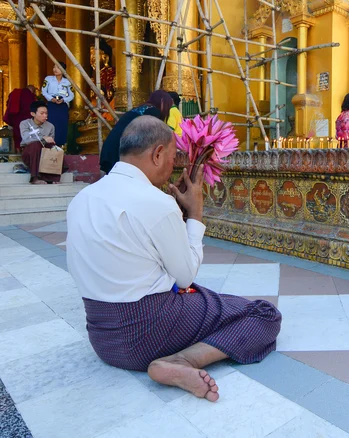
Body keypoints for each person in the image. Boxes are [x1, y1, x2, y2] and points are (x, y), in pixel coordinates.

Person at [67, 116, 281, 401]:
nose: (173, 166)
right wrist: (195, 215)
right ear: (157, 154)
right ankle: (183, 360)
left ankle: (177, 356)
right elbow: (185, 277)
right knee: (264, 315)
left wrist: (175, 218)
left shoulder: (83, 198)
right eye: (172, 156)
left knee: (206, 298)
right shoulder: (156, 202)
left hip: (103, 339)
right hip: (149, 334)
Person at [100, 90, 173, 174]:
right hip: (121, 150)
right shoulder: (153, 111)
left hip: (111, 147)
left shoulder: (140, 108)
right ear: (162, 102)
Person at [20, 101, 63, 184]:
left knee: (53, 148)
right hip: (29, 153)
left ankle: (52, 177)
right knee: (35, 145)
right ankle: (35, 177)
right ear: (33, 113)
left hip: (44, 152)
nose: (45, 116)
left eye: (46, 113)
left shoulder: (50, 126)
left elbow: (51, 141)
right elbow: (26, 139)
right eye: (42, 113)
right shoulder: (24, 123)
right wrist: (42, 139)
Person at [42, 62, 74, 147]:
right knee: (51, 123)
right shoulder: (48, 79)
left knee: (62, 124)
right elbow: (44, 91)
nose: (55, 69)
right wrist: (50, 98)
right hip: (52, 105)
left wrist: (64, 100)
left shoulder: (67, 82)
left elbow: (71, 95)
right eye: (54, 67)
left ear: (63, 70)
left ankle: (61, 145)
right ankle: (50, 143)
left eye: (58, 68)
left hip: (62, 105)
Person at [3, 85, 38, 153]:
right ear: (31, 89)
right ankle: (27, 152)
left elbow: (8, 104)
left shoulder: (15, 93)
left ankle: (18, 152)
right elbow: (32, 107)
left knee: (17, 135)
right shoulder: (28, 94)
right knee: (28, 134)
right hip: (26, 118)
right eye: (33, 91)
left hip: (15, 117)